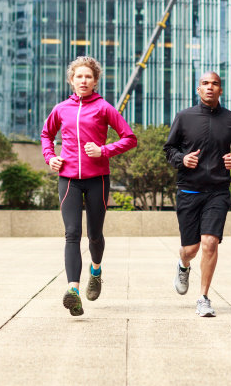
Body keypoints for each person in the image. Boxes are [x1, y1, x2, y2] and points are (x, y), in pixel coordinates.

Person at [42, 56, 137, 316]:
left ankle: (96, 271)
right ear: (71, 81)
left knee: (94, 234)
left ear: (95, 81)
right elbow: (46, 135)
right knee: (72, 234)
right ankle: (73, 290)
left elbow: (129, 138)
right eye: (78, 76)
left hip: (98, 180)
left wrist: (104, 150)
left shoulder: (104, 108)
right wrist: (51, 157)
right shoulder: (61, 109)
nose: (83, 81)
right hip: (69, 178)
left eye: (88, 77)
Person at [163, 71, 231, 317]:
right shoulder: (184, 117)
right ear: (198, 90)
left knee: (210, 243)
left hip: (218, 191)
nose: (210, 87)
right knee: (191, 248)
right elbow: (169, 149)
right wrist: (182, 158)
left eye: (215, 84)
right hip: (188, 190)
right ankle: (184, 264)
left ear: (220, 90)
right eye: (205, 83)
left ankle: (203, 298)